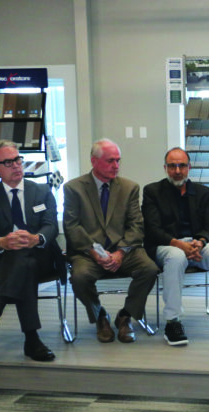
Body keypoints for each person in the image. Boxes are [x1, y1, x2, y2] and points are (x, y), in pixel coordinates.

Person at [0, 140, 65, 362]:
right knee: (21, 260)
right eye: (7, 162)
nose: (15, 166)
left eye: (17, 159)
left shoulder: (42, 191)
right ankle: (32, 341)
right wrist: (2, 242)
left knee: (25, 257)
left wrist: (36, 238)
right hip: (2, 261)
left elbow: (51, 225)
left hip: (41, 255)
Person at [142, 147, 209, 345]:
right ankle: (173, 321)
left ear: (189, 167)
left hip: (195, 245)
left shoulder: (202, 192)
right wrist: (179, 245)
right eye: (172, 166)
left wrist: (200, 242)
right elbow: (152, 230)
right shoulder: (152, 191)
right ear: (165, 168)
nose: (177, 170)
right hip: (166, 246)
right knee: (176, 256)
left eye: (181, 166)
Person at [64, 138, 159, 344]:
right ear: (94, 161)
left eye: (118, 160)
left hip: (123, 252)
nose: (116, 166)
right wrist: (95, 253)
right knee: (79, 277)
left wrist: (120, 252)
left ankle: (125, 316)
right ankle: (100, 316)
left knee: (149, 269)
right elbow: (72, 227)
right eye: (110, 161)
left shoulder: (129, 188)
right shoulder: (74, 188)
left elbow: (136, 226)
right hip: (88, 253)